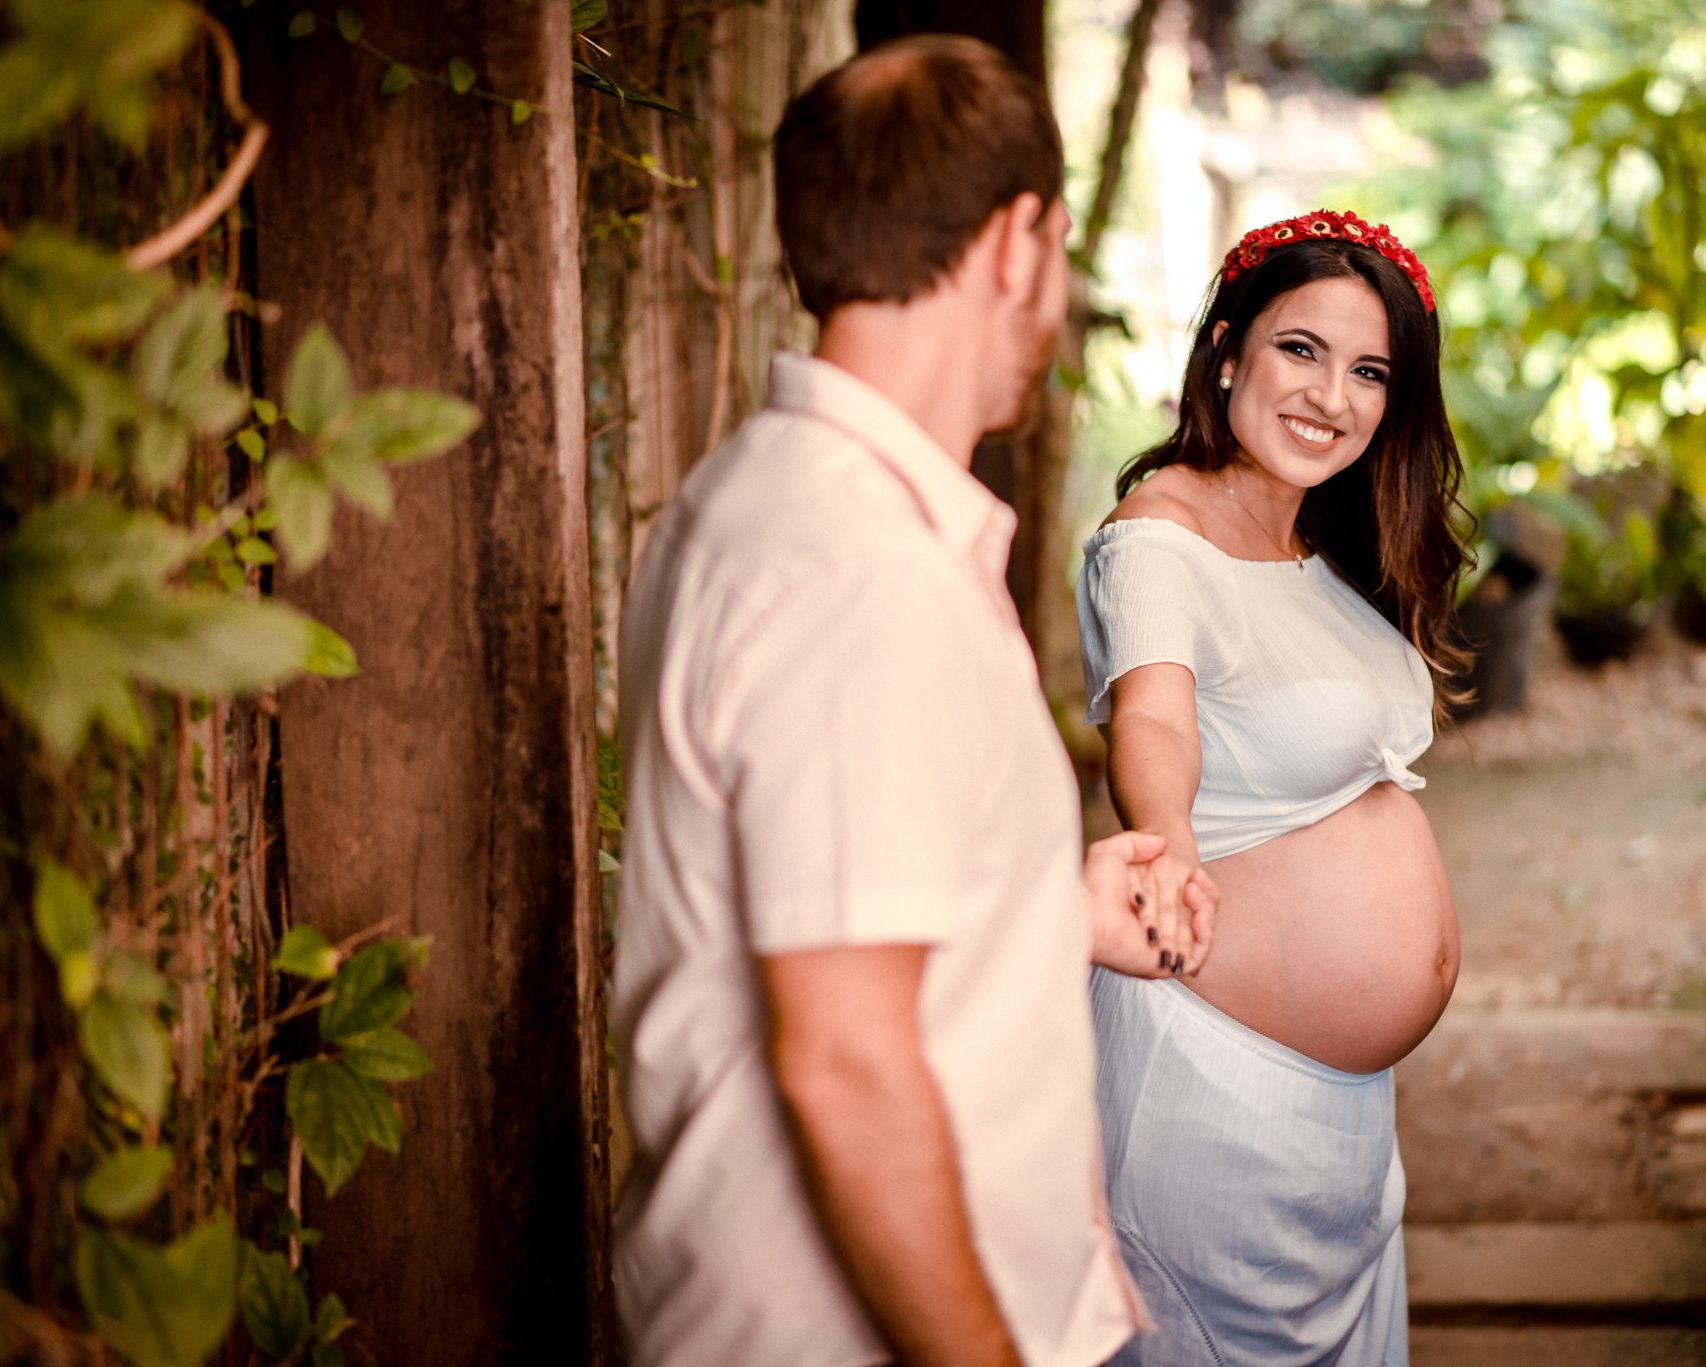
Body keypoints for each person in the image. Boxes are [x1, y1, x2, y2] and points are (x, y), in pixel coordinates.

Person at [610, 36, 1216, 1367]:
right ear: (1019, 243)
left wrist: (1043, 910)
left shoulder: (764, 501)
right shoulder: (852, 567)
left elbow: (817, 905)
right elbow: (844, 1061)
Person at [1077, 210, 1470, 1367]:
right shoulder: (1155, 537)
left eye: (1368, 371)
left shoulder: (1321, 550)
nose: (1332, 396)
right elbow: (1152, 712)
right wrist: (1165, 834)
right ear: (1226, 351)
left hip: (1338, 1120)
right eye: (1300, 348)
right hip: (1208, 1089)